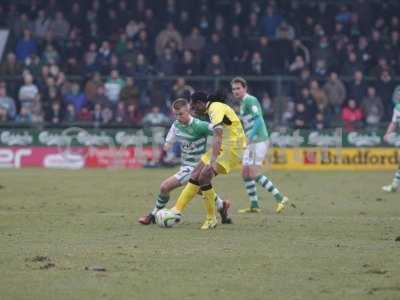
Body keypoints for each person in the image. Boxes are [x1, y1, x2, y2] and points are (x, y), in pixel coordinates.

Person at [138, 98, 230, 225]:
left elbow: (219, 131)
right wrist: (164, 153)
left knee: (164, 187)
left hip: (195, 168)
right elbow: (168, 144)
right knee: (202, 190)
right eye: (175, 114)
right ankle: (221, 205)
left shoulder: (199, 126)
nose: (178, 117)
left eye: (180, 114)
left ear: (188, 111)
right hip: (184, 167)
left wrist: (219, 147)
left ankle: (152, 215)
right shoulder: (176, 125)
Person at [170, 91, 246, 230]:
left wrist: (213, 160)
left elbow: (218, 134)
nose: (193, 111)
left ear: (200, 104)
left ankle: (211, 218)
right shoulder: (212, 109)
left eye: (193, 107)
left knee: (204, 176)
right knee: (194, 175)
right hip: (225, 144)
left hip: (233, 147)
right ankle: (176, 210)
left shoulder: (214, 108)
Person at [231, 77, 289, 213]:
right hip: (251, 142)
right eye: (233, 89)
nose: (236, 91)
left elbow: (258, 120)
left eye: (238, 88)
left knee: (253, 172)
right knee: (245, 172)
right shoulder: (243, 103)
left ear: (245, 88)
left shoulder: (250, 100)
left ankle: (280, 198)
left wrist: (250, 137)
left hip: (258, 141)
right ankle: (254, 205)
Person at [382, 86, 400, 192]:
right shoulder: (397, 108)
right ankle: (394, 185)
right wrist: (387, 133)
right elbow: (394, 123)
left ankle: (394, 185)